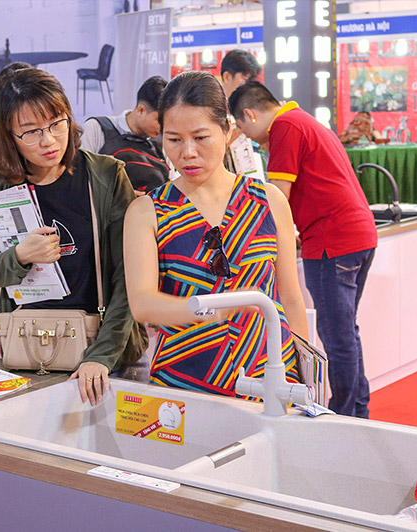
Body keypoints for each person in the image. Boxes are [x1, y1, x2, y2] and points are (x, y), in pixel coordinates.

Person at [0, 65, 147, 406]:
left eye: (56, 123)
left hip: (101, 354)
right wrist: (20, 256)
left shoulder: (105, 175)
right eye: (30, 132)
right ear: (8, 135)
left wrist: (101, 355)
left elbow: (129, 278)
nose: (48, 140)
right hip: (28, 351)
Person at [123, 71, 309, 399]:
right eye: (173, 139)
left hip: (271, 375)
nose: (187, 152)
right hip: (184, 382)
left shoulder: (269, 200)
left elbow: (291, 298)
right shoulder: (147, 211)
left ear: (226, 131)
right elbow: (142, 304)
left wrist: (308, 374)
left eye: (200, 137)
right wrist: (212, 309)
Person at [228, 81, 378, 418]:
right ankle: (357, 411)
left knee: (336, 336)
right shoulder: (302, 120)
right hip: (357, 235)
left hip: (331, 241)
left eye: (241, 127)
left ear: (249, 115)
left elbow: (275, 197)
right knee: (346, 332)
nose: (246, 137)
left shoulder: (285, 126)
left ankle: (344, 417)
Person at [80, 76, 169, 194]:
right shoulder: (97, 128)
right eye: (159, 120)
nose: (164, 127)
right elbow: (79, 177)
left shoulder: (164, 143)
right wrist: (121, 196)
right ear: (141, 110)